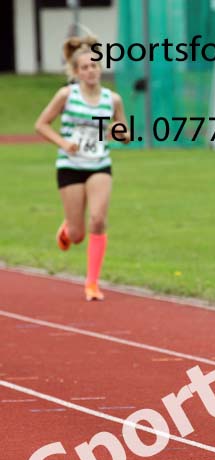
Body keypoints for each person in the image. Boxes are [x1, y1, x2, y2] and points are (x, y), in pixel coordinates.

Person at [34, 35, 130, 301]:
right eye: (85, 67)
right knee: (77, 235)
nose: (91, 71)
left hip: (99, 163)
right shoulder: (67, 95)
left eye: (95, 66)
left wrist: (118, 130)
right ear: (76, 72)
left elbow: (125, 134)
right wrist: (63, 143)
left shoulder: (113, 100)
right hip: (71, 165)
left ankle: (92, 283)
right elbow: (41, 124)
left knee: (98, 219)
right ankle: (67, 229)